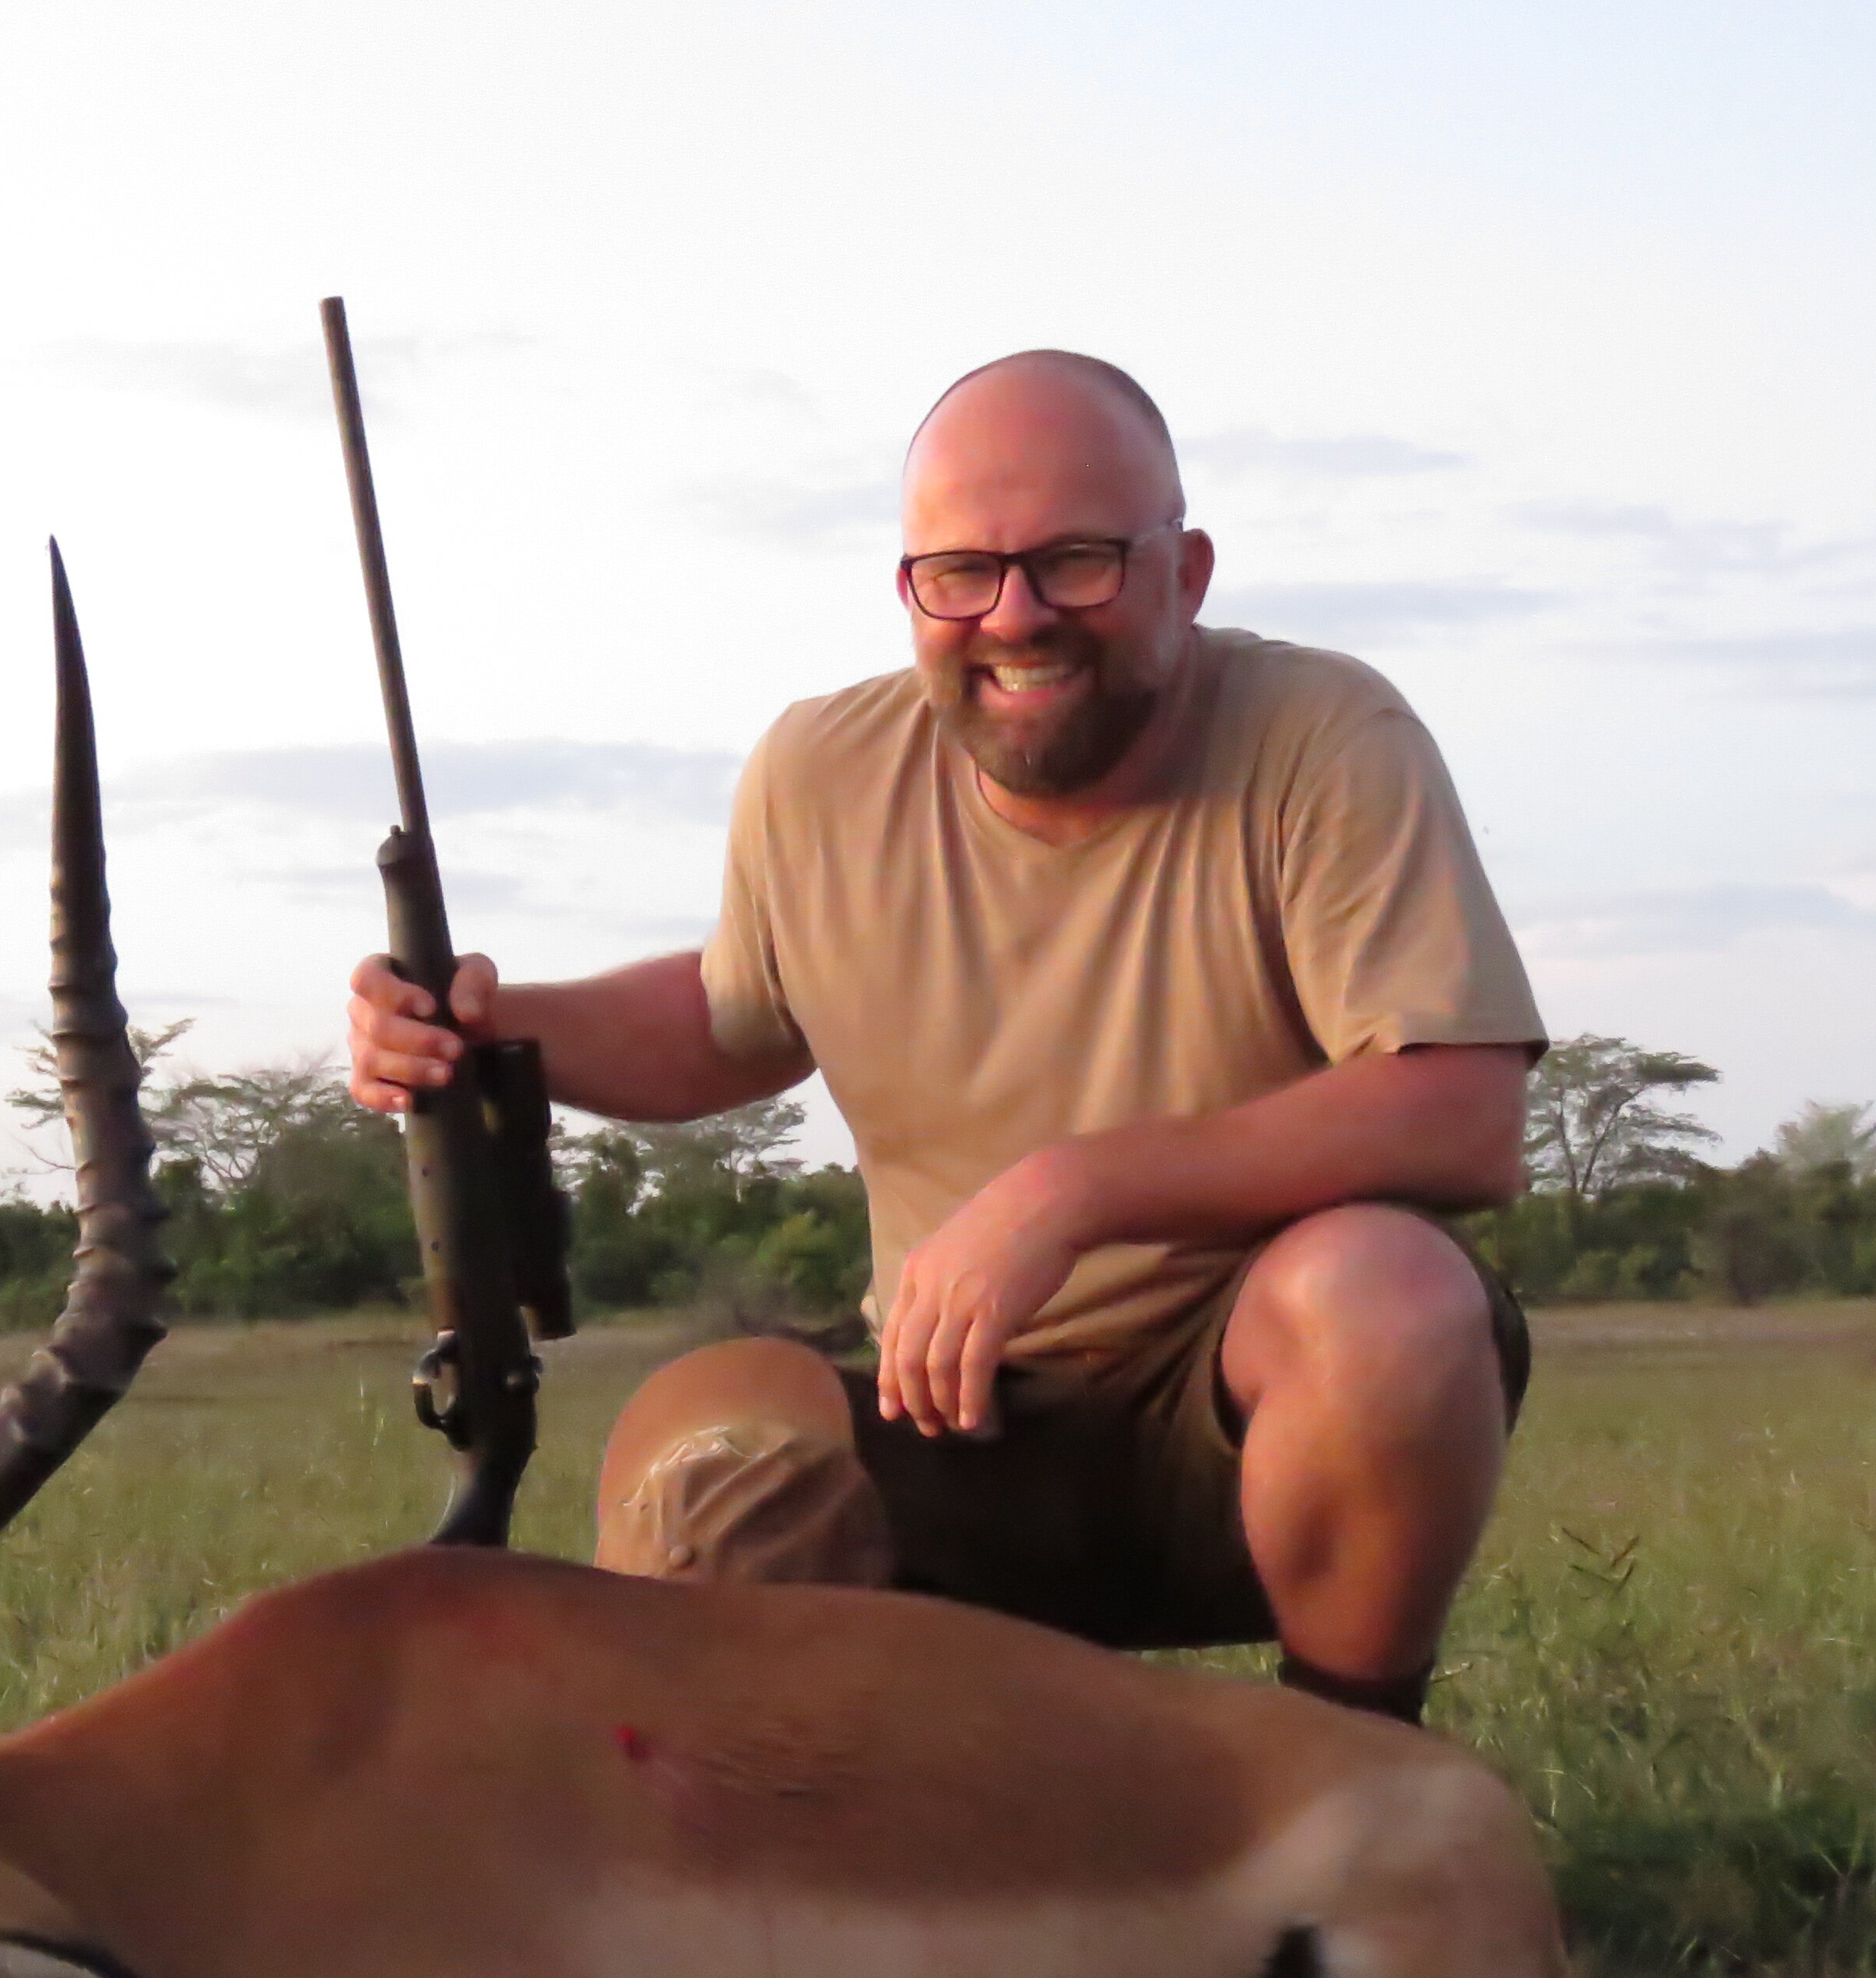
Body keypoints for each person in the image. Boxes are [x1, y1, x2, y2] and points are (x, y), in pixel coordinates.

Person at [346, 350, 1540, 1726]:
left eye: (1077, 561)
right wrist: (488, 1026)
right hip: (945, 1413)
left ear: (1185, 571)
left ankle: (1346, 1797)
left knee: (1383, 1298)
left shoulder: (1325, 737)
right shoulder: (817, 771)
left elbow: (1458, 1108)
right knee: (705, 1442)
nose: (1015, 616)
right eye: (960, 572)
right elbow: (736, 1020)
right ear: (908, 589)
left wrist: (1068, 1189)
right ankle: (818, 1878)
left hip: (1236, 1431)